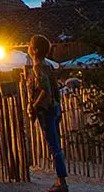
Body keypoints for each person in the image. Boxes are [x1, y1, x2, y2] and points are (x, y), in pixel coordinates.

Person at [23, 34, 68, 191]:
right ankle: (59, 180)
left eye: (29, 45)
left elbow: (45, 90)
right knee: (57, 145)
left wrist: (34, 106)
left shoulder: (38, 67)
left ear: (34, 50)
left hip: (47, 110)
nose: (28, 48)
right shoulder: (48, 65)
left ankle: (61, 182)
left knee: (54, 146)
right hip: (56, 108)